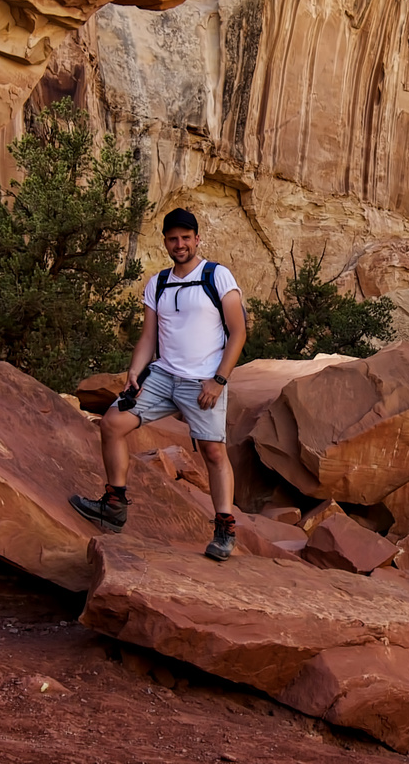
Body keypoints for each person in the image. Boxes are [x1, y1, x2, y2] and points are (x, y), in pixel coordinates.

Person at [71, 207, 248, 560]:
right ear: (165, 241)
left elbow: (239, 331)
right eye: (173, 238)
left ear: (197, 239)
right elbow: (149, 336)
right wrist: (135, 371)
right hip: (163, 376)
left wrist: (219, 380)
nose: (179, 244)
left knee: (213, 452)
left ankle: (225, 528)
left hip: (203, 381)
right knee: (112, 424)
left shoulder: (217, 276)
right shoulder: (159, 283)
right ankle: (114, 504)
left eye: (185, 237)